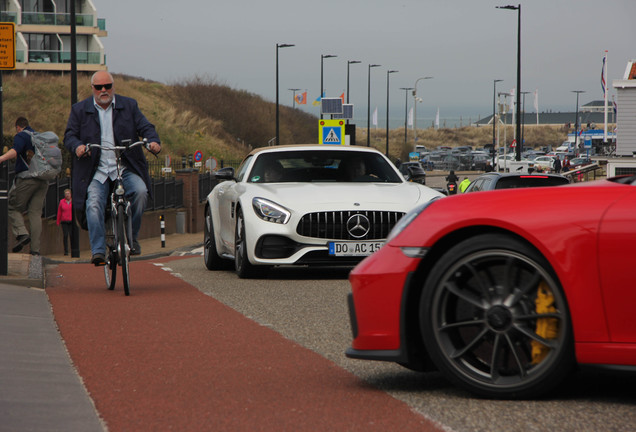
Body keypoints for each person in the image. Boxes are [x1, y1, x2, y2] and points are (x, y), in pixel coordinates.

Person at [64, 71, 161, 266]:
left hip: (124, 168)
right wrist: (78, 147)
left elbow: (146, 127)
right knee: (93, 204)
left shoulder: (129, 106)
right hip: (96, 171)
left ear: (113, 86)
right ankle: (98, 250)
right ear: (92, 88)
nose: (103, 90)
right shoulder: (80, 110)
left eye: (107, 86)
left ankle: (131, 240)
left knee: (141, 192)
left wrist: (152, 141)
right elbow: (69, 136)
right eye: (99, 87)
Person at [0, 117, 49, 255]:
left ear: (18, 127)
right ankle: (35, 250)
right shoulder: (40, 137)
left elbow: (15, 151)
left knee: (11, 206)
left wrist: (2, 158)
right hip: (44, 180)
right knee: (35, 213)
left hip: (28, 178)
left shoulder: (21, 136)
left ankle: (22, 234)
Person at [57, 189, 73, 256]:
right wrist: (58, 221)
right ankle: (66, 251)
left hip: (72, 221)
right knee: (65, 235)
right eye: (66, 194)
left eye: (68, 193)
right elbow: (59, 212)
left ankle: (73, 250)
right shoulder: (62, 202)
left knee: (72, 236)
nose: (67, 195)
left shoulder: (73, 201)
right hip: (64, 221)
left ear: (70, 194)